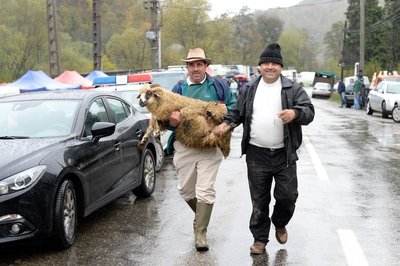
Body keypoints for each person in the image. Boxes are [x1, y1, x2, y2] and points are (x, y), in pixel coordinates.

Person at [212, 43, 315, 254]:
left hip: (284, 153)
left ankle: (279, 221)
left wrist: (295, 113)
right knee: (259, 200)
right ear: (259, 66)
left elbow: (309, 111)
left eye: (274, 63)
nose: (270, 67)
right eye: (266, 63)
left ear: (280, 67)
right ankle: (260, 239)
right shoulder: (249, 88)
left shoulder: (292, 88)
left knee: (287, 197)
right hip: (256, 153)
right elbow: (237, 112)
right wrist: (225, 124)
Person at [168, 48, 237, 251]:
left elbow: (235, 109)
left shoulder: (219, 85)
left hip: (210, 146)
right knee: (186, 191)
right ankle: (200, 219)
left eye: (199, 64)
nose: (195, 68)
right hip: (185, 146)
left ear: (206, 66)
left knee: (205, 190)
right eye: (191, 64)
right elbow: (166, 119)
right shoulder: (179, 88)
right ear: (187, 67)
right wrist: (172, 121)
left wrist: (224, 121)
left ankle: (200, 234)